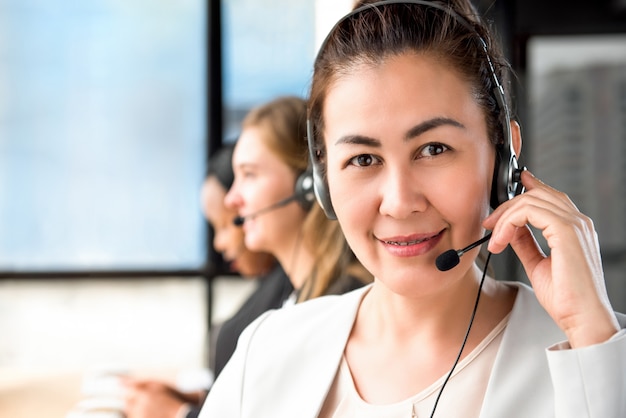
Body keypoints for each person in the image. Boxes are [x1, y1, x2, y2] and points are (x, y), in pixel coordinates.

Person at [199, 1, 626, 417]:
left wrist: (593, 340)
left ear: (504, 158)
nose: (400, 203)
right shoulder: (266, 354)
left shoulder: (596, 352)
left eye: (433, 149)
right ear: (324, 180)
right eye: (363, 159)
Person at [123, 144, 293, 418]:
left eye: (225, 224)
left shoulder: (305, 292)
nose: (219, 243)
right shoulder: (277, 283)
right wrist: (193, 398)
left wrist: (178, 414)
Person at [224, 95, 372, 304]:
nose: (231, 199)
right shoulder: (298, 298)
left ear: (309, 184)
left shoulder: (344, 301)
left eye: (249, 174)